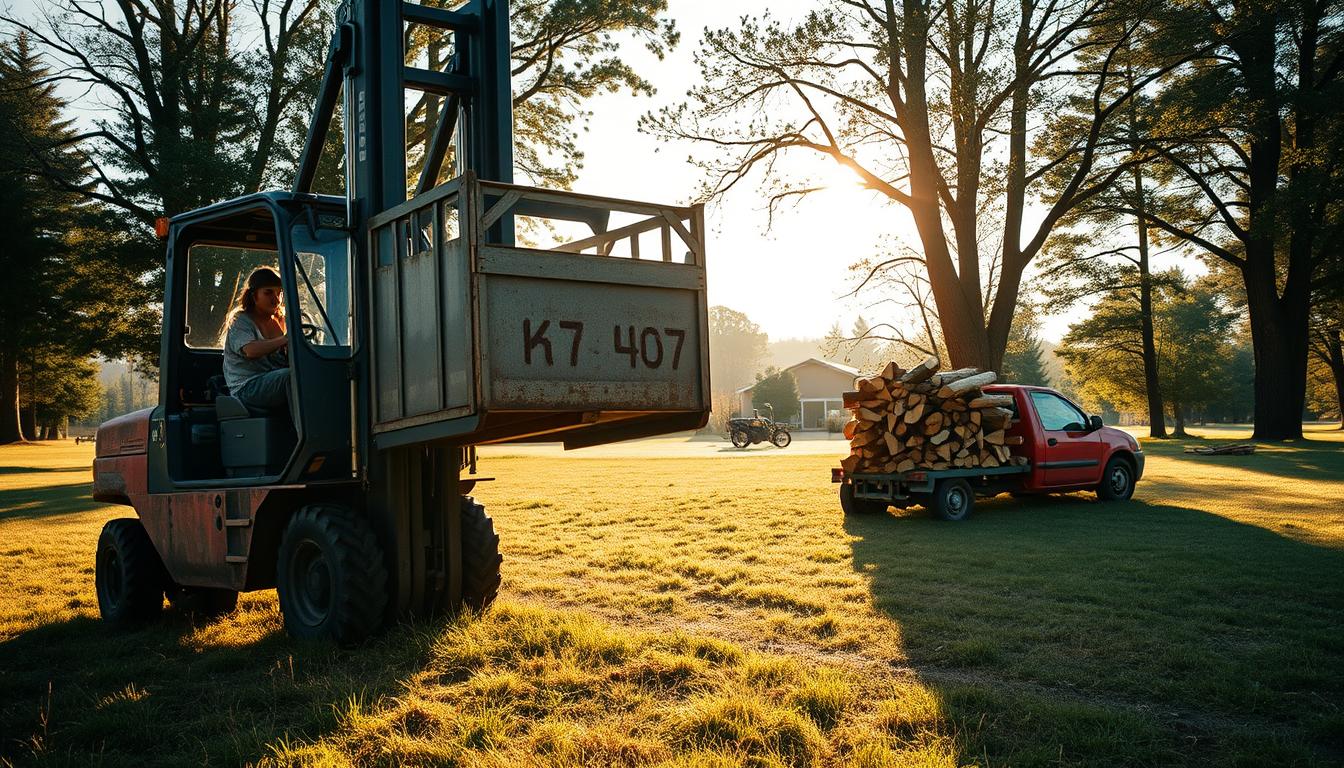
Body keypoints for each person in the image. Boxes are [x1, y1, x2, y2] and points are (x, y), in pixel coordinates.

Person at [221, 267, 293, 418]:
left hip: (272, 381)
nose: (276, 299)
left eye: (279, 292)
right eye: (268, 293)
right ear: (254, 296)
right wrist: (285, 339)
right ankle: (306, 435)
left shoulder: (282, 321)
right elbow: (251, 350)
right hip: (247, 387)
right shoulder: (240, 321)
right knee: (290, 377)